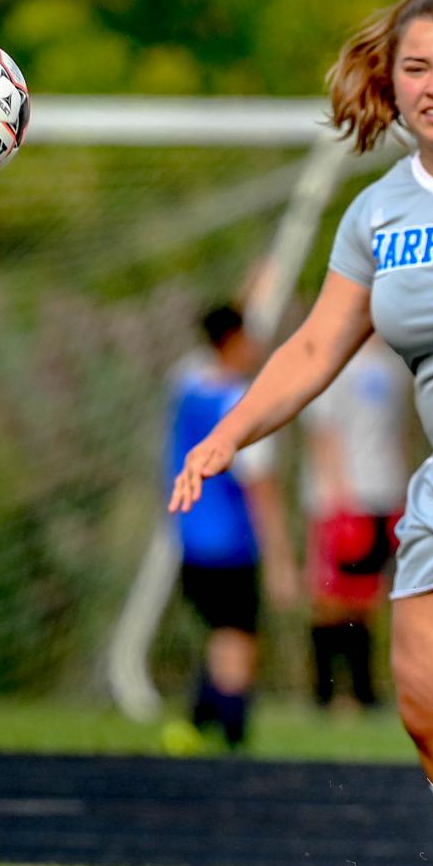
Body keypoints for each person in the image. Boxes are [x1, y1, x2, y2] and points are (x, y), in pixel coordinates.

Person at [169, 0, 433, 866]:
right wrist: (228, 434)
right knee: (432, 715)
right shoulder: (375, 213)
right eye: (416, 66)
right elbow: (312, 345)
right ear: (388, 82)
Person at [165, 304, 300, 749]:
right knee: (237, 648)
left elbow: (216, 330)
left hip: (189, 541)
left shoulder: (186, 384)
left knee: (222, 639)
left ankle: (192, 727)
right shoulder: (242, 409)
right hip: (232, 545)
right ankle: (233, 748)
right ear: (234, 342)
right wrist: (281, 561)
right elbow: (262, 491)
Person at [300, 335, 412, 710]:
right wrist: (338, 496)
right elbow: (324, 433)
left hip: (384, 493)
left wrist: (403, 489)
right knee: (331, 597)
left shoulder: (395, 366)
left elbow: (399, 433)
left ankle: (364, 691)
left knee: (368, 598)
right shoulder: (335, 361)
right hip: (343, 499)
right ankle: (326, 691)